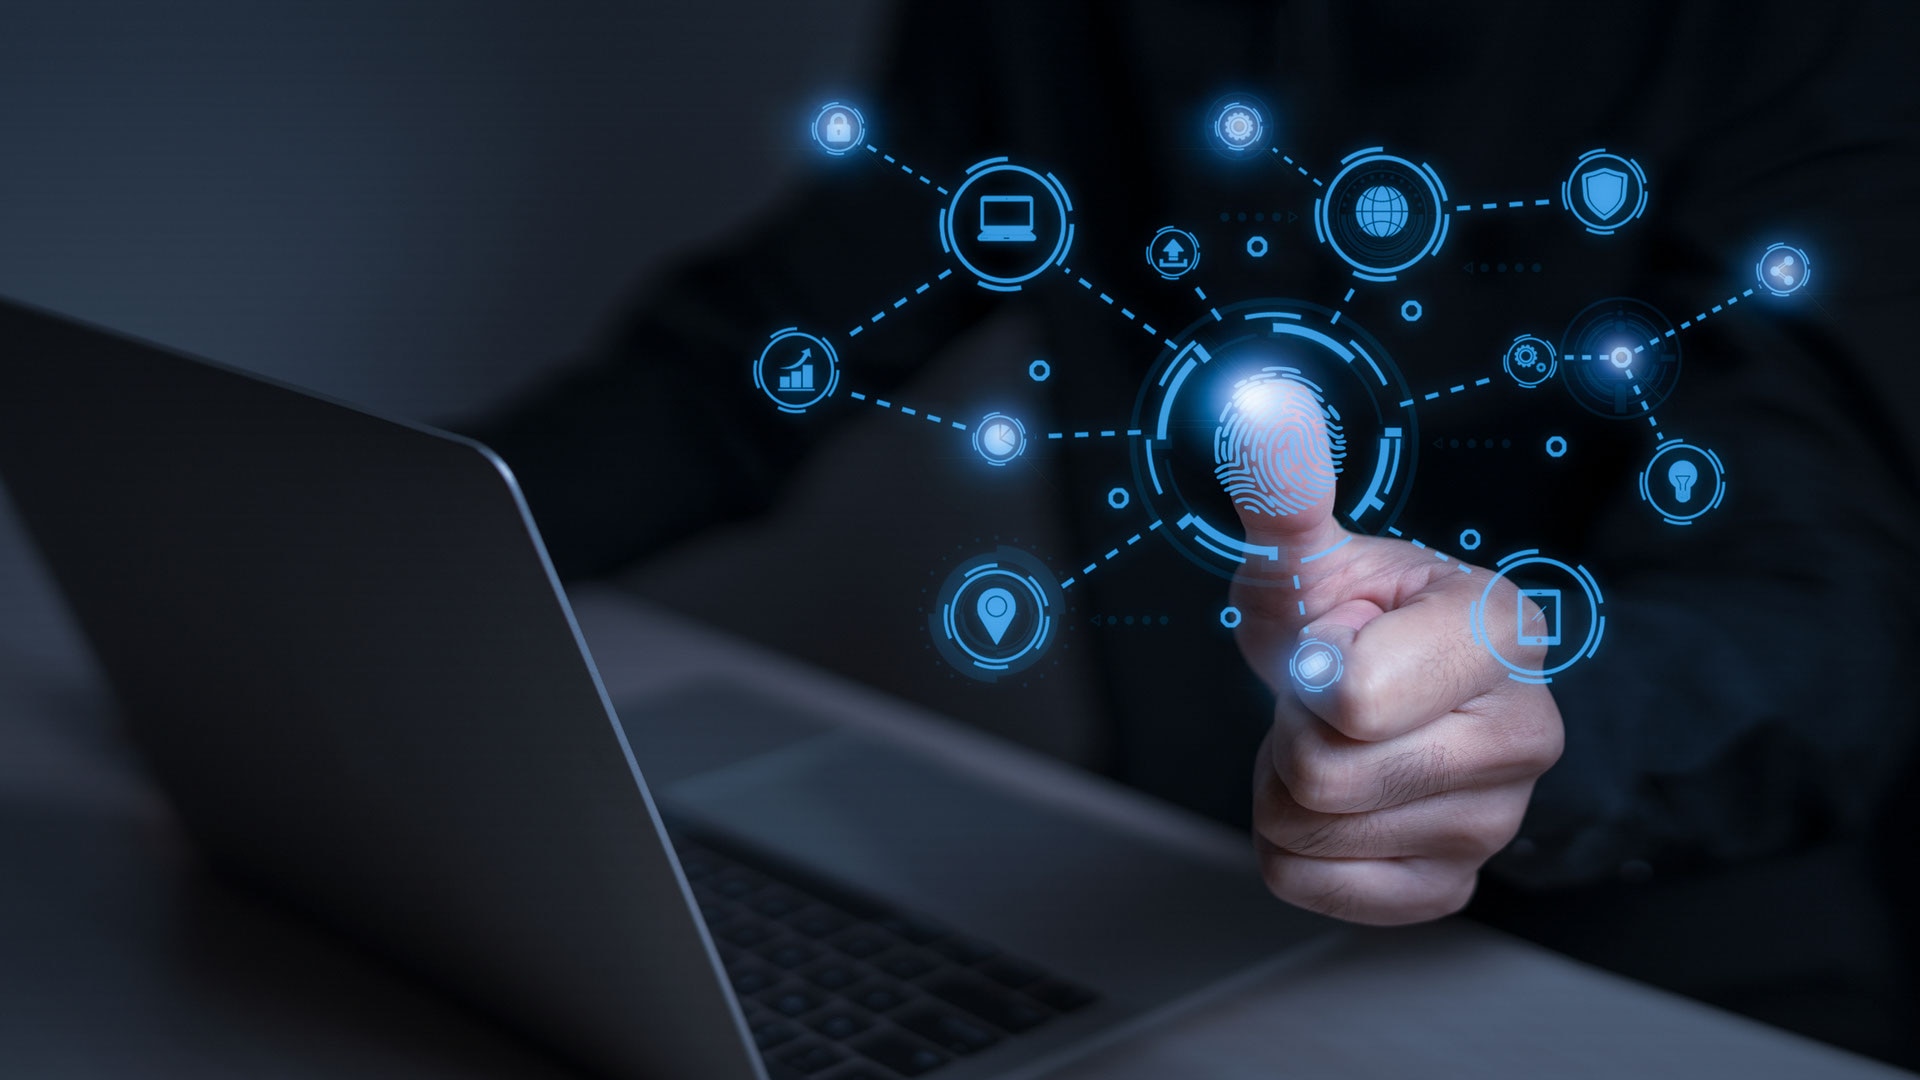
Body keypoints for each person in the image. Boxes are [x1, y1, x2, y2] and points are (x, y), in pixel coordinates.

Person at [470, 1, 1920, 1064]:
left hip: (1672, 988)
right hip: (1187, 907)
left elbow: (1828, 597)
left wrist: (1539, 703)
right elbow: (752, 358)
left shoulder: (1784, 36)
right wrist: (407, 545)